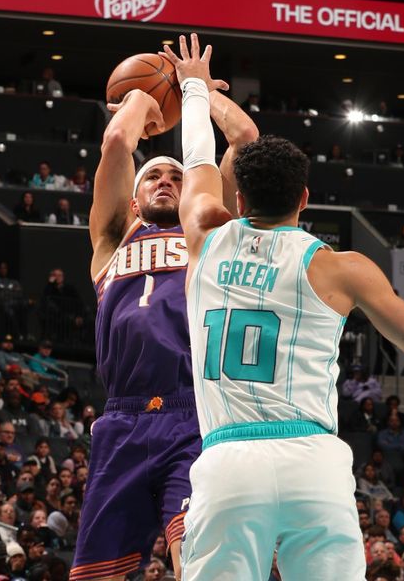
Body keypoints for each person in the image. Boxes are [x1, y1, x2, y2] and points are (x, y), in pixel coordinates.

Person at [165, 33, 404, 581]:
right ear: (305, 199)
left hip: (228, 463)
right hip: (313, 459)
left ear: (238, 200)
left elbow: (197, 159)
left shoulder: (203, 235)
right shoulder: (341, 267)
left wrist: (192, 88)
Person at [70, 34, 259, 581]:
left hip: (194, 413)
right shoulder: (111, 239)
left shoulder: (206, 232)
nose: (167, 181)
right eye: (154, 173)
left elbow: (244, 136)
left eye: (178, 176)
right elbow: (114, 145)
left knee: (196, 564)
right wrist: (140, 101)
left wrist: (193, 87)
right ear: (133, 197)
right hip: (122, 420)